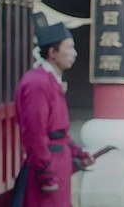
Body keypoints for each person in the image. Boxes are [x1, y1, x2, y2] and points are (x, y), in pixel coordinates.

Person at [14, 12, 94, 206]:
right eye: (69, 47)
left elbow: (60, 131)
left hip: (59, 164)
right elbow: (35, 133)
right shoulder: (37, 83)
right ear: (52, 52)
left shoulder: (50, 80)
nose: (74, 53)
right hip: (49, 166)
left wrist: (77, 153)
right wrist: (45, 174)